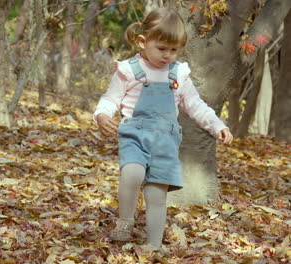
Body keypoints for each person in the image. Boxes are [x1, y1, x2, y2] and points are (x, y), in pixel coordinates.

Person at [93, 7, 233, 250]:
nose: (167, 55)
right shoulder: (129, 70)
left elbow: (196, 105)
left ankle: (153, 243)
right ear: (142, 41)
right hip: (135, 136)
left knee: (157, 195)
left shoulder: (178, 74)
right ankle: (125, 223)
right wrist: (102, 114)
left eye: (173, 49)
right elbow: (110, 98)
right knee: (133, 173)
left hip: (165, 143)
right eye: (161, 48)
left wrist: (217, 125)